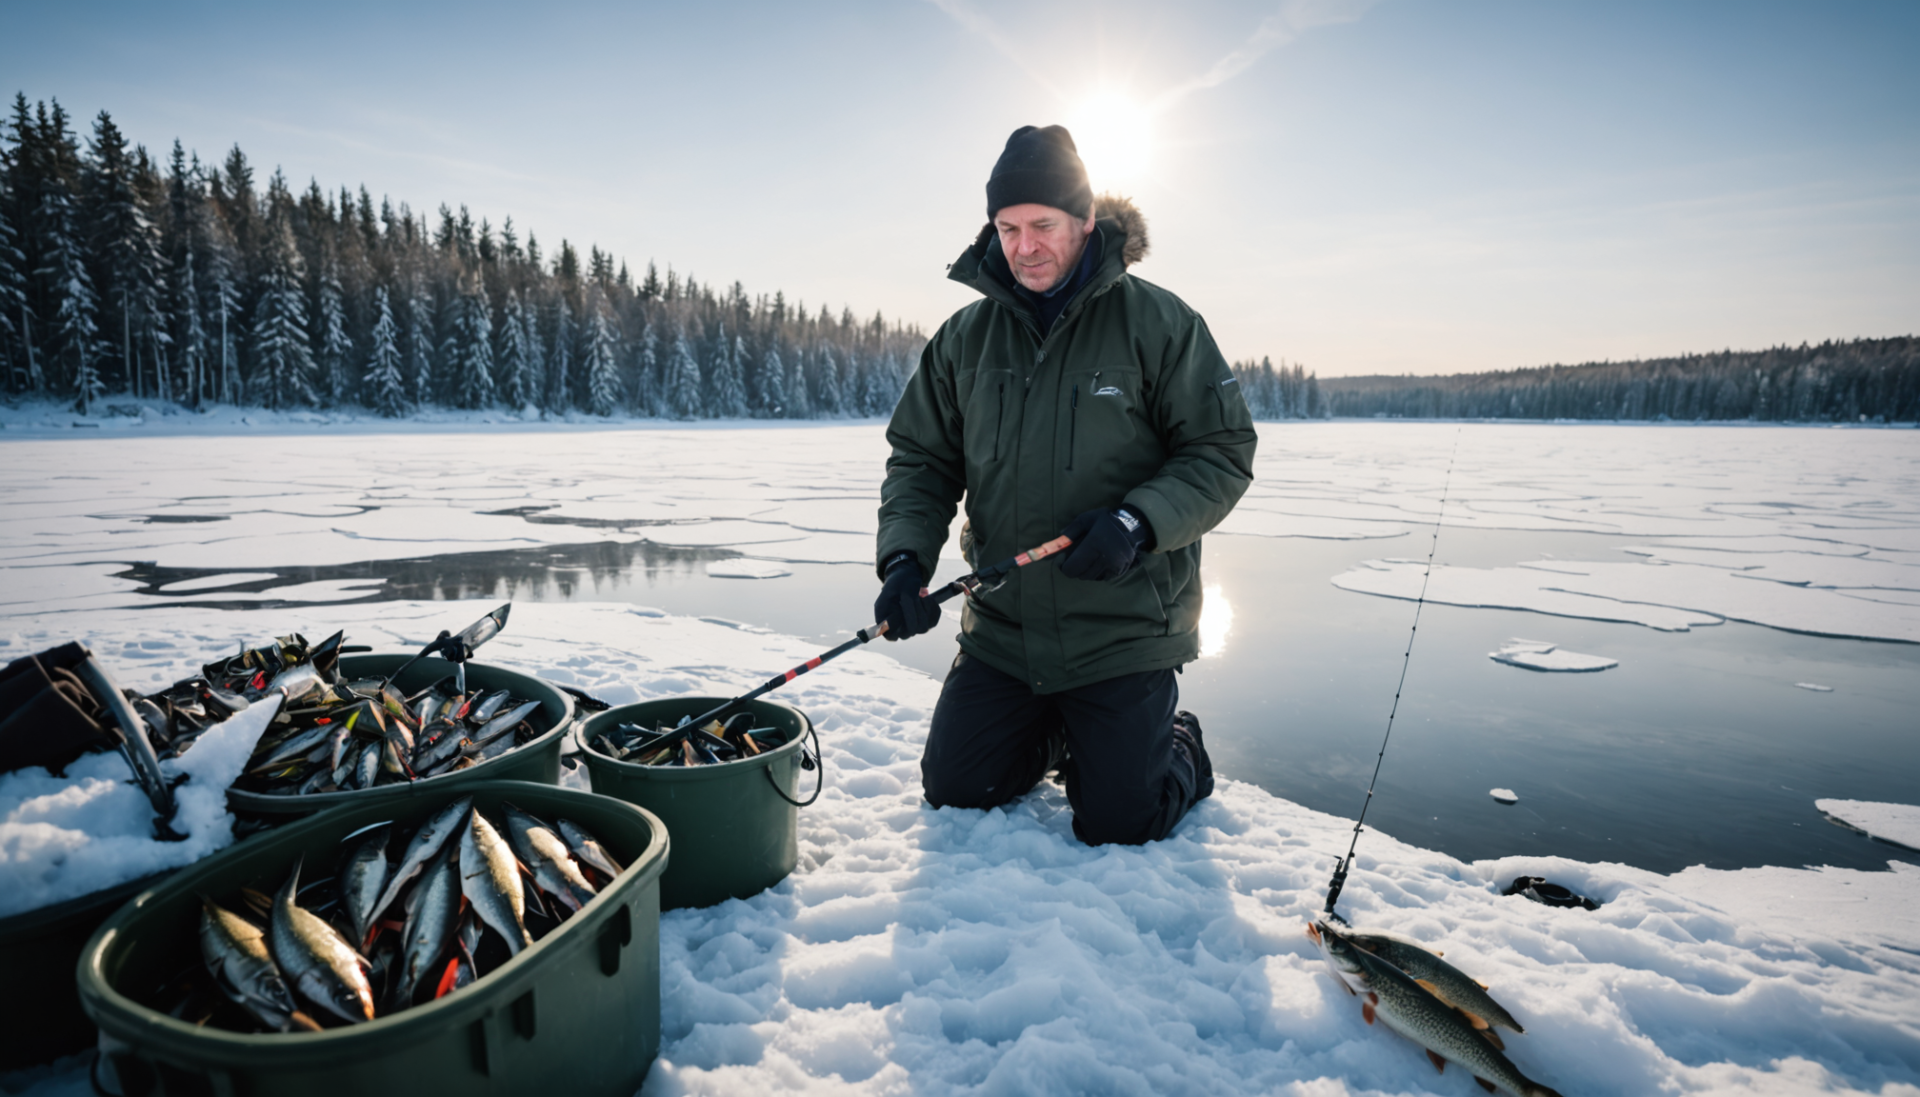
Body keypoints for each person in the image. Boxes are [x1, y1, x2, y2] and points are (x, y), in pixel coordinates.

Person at [873, 124, 1258, 846]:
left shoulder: (1161, 324)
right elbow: (921, 461)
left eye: (1043, 226)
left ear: (1084, 221)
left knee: (1120, 821)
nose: (1024, 247)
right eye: (1007, 228)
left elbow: (1220, 451)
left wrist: (1137, 524)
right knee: (957, 788)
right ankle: (1055, 731)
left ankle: (1179, 742)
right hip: (1005, 630)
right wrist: (903, 561)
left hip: (1122, 631)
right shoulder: (964, 338)